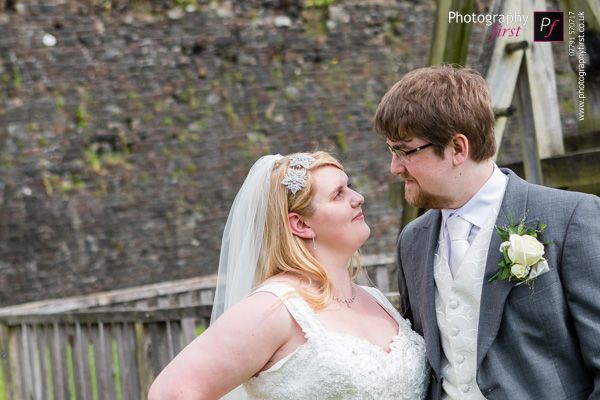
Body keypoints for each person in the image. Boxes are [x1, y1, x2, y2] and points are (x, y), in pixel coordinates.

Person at [372, 64, 600, 400]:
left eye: (405, 151)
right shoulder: (412, 240)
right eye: (391, 151)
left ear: (458, 149)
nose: (394, 167)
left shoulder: (573, 218)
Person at [148, 151, 431, 399]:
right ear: (300, 224)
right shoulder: (274, 308)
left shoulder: (376, 300)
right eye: (338, 194)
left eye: (350, 188)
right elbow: (169, 392)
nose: (358, 198)